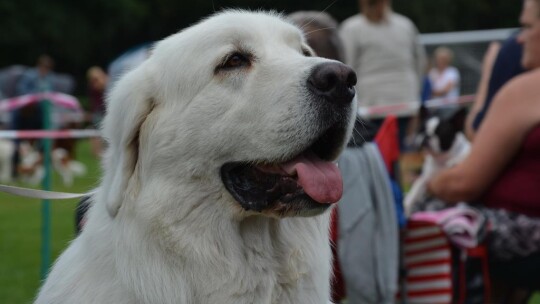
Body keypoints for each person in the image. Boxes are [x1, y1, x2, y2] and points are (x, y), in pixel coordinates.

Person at [427, 0, 540, 299]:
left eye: (527, 26)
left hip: (524, 238)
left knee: (429, 219)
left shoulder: (527, 90)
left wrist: (430, 183)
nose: (519, 38)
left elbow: (464, 183)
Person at [339, 0, 426, 149]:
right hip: (404, 103)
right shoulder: (406, 25)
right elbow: (421, 63)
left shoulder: (351, 28)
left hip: (369, 105)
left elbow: (345, 66)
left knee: (375, 156)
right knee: (402, 156)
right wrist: (415, 96)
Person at [465, 32, 526, 140]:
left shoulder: (515, 48)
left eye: (529, 26)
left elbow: (476, 132)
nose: (521, 38)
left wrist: (489, 71)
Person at [86, 66, 108, 157]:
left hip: (102, 110)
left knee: (98, 131)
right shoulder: (95, 85)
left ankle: (100, 151)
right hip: (99, 111)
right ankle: (97, 152)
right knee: (96, 131)